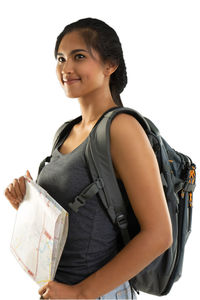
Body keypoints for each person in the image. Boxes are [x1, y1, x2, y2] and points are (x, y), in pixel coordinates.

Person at [4, 18, 173, 299]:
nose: (65, 68)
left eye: (79, 56)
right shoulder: (67, 131)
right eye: (60, 58)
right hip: (61, 291)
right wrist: (27, 204)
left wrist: (80, 293)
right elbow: (78, 216)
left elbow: (159, 234)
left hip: (97, 293)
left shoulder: (121, 128)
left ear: (110, 65)